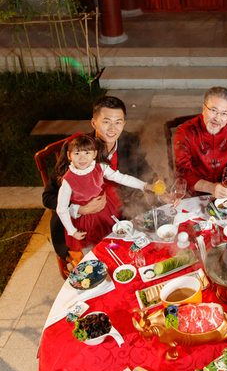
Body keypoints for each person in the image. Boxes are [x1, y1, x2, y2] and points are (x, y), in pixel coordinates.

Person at [42, 96, 156, 262]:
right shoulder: (79, 150)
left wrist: (160, 188)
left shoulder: (130, 142)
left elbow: (146, 174)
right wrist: (80, 209)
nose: (112, 128)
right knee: (100, 265)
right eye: (106, 121)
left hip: (123, 214)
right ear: (94, 123)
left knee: (147, 253)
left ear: (124, 124)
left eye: (118, 122)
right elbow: (48, 197)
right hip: (84, 225)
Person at [55, 133, 150, 251]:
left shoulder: (100, 167)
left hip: (106, 211)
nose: (82, 158)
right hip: (87, 221)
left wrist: (144, 185)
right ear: (69, 156)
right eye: (77, 153)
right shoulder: (68, 181)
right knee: (96, 247)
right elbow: (61, 209)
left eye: (87, 153)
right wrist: (72, 231)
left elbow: (122, 178)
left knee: (115, 241)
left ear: (94, 154)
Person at [174, 86, 227, 198]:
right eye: (213, 110)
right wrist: (210, 187)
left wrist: (226, 190)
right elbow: (183, 172)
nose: (217, 118)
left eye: (224, 113)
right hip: (195, 192)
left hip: (226, 191)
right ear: (204, 108)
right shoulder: (185, 132)